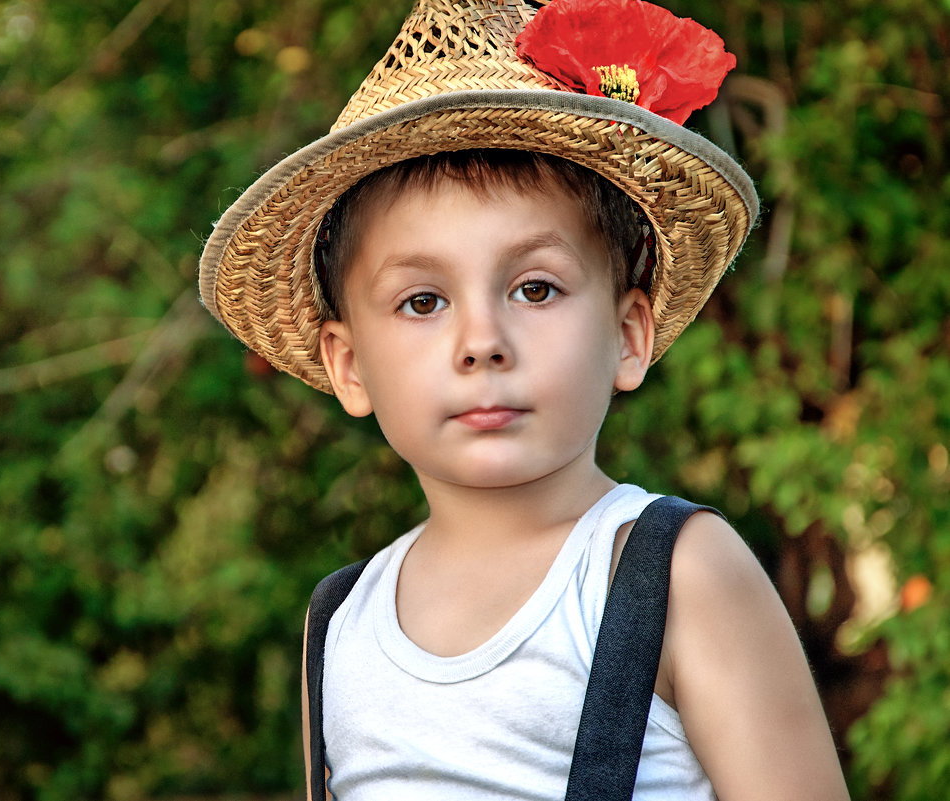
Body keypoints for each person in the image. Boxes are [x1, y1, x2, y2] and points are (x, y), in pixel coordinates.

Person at [197, 0, 850, 798]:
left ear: (627, 334)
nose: (482, 340)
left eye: (534, 288)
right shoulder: (341, 620)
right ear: (349, 365)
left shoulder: (672, 572)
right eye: (422, 302)